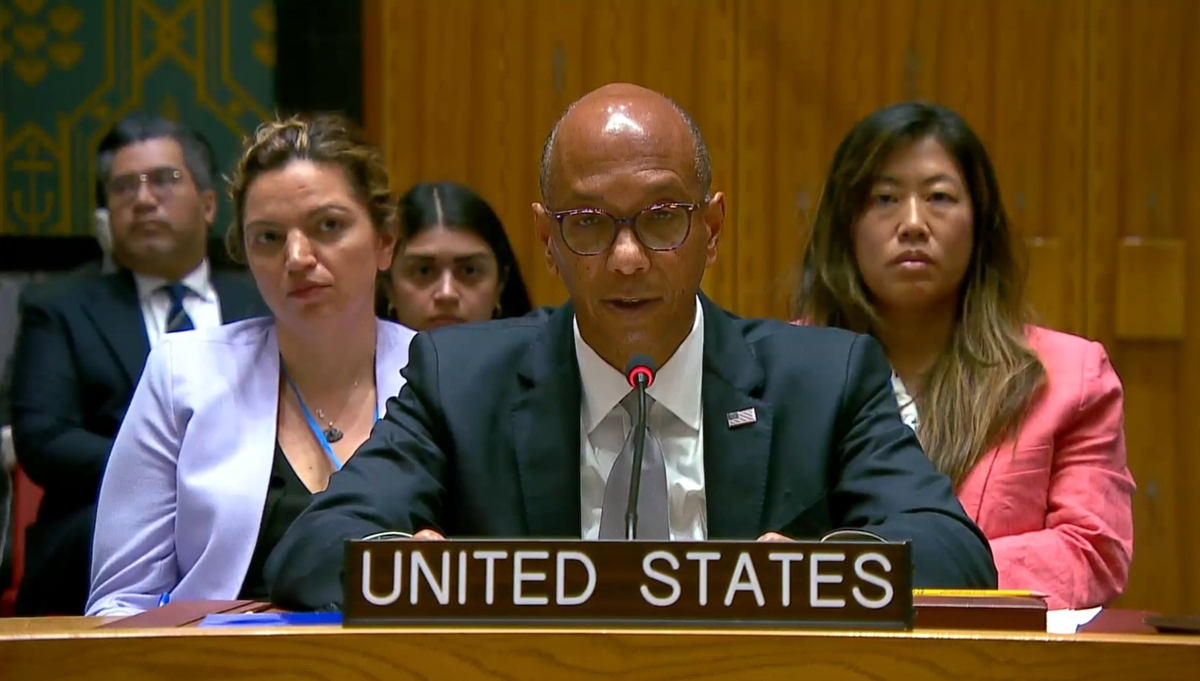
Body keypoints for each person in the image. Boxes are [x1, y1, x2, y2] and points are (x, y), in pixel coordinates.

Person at [265, 83, 998, 611]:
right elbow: (313, 547)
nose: (625, 257)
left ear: (713, 227)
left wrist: (816, 574)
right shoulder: (460, 380)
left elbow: (955, 553)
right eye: (587, 222)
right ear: (548, 240)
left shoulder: (826, 378)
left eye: (662, 218)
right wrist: (419, 569)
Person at [793, 101, 1134, 609]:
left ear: (980, 226)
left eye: (939, 197)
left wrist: (909, 573)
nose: (912, 223)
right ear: (845, 226)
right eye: (884, 198)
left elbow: (1092, 548)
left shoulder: (1070, 377)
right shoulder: (783, 369)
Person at [86, 114, 416, 617]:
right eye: (268, 237)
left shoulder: (441, 375)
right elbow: (119, 603)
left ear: (385, 240)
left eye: (328, 225)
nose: (298, 256)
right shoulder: (183, 374)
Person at [9, 114, 267, 616]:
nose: (144, 199)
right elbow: (44, 439)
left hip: (251, 522)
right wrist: (179, 478)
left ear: (210, 205)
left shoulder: (262, 301)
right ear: (106, 214)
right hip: (94, 531)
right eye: (124, 186)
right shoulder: (60, 307)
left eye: (165, 180)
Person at [380, 181, 532, 329]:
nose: (447, 294)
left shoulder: (541, 353)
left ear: (500, 284)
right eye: (423, 271)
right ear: (388, 285)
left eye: (469, 271)